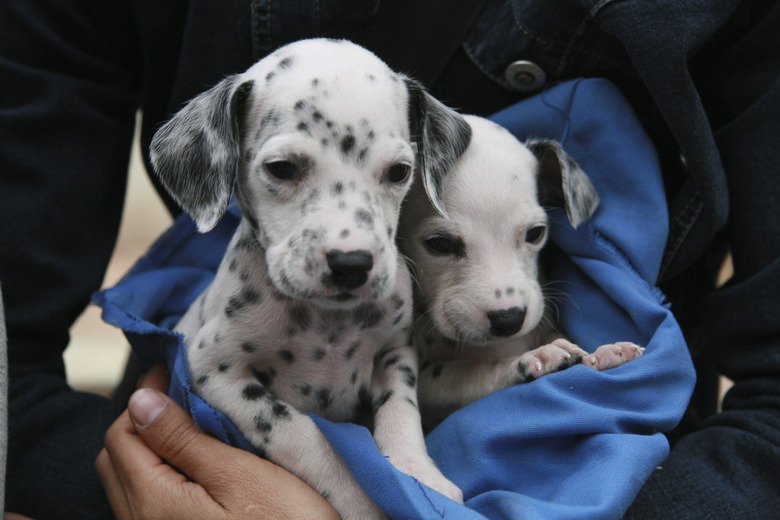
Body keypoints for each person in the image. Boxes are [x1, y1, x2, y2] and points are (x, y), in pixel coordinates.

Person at [2, 0, 779, 518]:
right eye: (285, 169)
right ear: (223, 161)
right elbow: (20, 369)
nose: (349, 246)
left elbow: (395, 364)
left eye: (393, 176)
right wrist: (135, 489)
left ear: (424, 168)